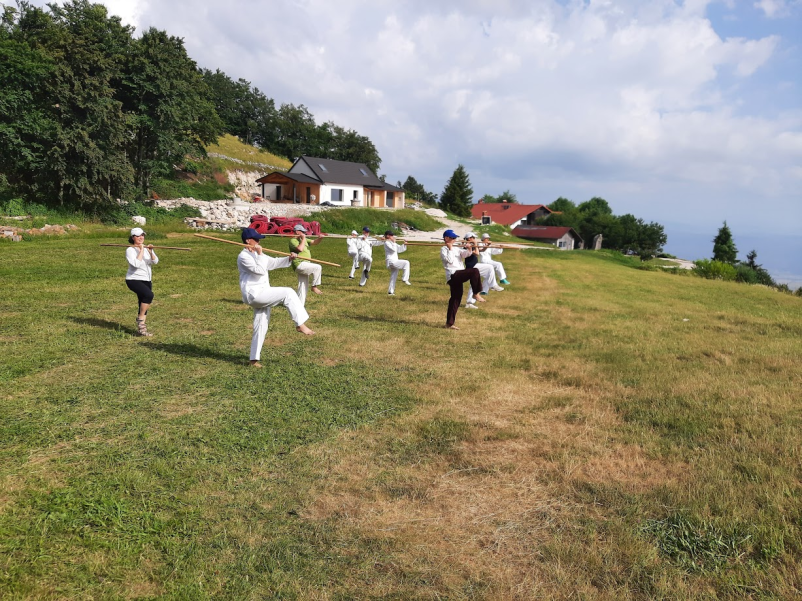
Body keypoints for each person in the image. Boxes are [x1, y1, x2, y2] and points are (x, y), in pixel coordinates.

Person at [238, 227, 314, 368]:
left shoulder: (257, 253)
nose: (259, 241)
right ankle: (300, 324)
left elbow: (272, 263)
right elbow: (260, 270)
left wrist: (289, 258)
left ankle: (253, 360)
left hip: (263, 292)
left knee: (261, 324)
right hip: (254, 295)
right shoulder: (243, 257)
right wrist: (260, 254)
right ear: (248, 241)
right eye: (256, 239)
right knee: (288, 293)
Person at [440, 229, 485, 329]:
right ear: (446, 238)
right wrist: (450, 249)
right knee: (474, 271)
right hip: (453, 275)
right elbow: (450, 261)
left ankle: (449, 323)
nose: (454, 239)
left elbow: (465, 255)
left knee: (456, 299)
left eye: (455, 238)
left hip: (459, 273)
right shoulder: (444, 249)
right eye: (452, 238)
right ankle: (476, 293)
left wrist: (469, 249)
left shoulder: (455, 247)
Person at [125, 227, 158, 336]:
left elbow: (155, 262)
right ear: (133, 237)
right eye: (138, 236)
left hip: (146, 279)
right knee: (149, 295)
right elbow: (136, 264)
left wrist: (150, 251)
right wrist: (141, 250)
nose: (141, 238)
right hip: (133, 279)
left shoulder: (146, 249)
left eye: (142, 235)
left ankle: (142, 330)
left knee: (144, 302)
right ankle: (140, 319)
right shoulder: (130, 250)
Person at [463, 232, 503, 308]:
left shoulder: (472, 245)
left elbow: (482, 250)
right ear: (469, 238)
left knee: (474, 284)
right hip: (472, 267)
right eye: (473, 238)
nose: (474, 239)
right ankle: (492, 285)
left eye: (474, 238)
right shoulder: (467, 245)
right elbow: (477, 253)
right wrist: (475, 243)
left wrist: (487, 245)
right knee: (490, 267)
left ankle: (469, 303)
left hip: (474, 266)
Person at [288, 223, 324, 306]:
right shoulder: (293, 240)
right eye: (302, 232)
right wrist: (303, 238)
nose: (304, 233)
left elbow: (315, 242)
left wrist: (320, 238)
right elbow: (300, 249)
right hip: (300, 264)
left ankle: (299, 305)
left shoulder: (303, 239)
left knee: (303, 286)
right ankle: (314, 286)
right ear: (297, 232)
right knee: (318, 267)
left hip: (306, 264)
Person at [383, 230, 411, 295]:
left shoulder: (393, 243)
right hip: (391, 262)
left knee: (393, 276)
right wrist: (393, 242)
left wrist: (404, 244)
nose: (393, 237)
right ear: (388, 236)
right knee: (406, 263)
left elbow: (400, 250)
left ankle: (390, 292)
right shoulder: (387, 243)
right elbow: (393, 250)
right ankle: (405, 278)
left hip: (394, 261)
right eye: (391, 235)